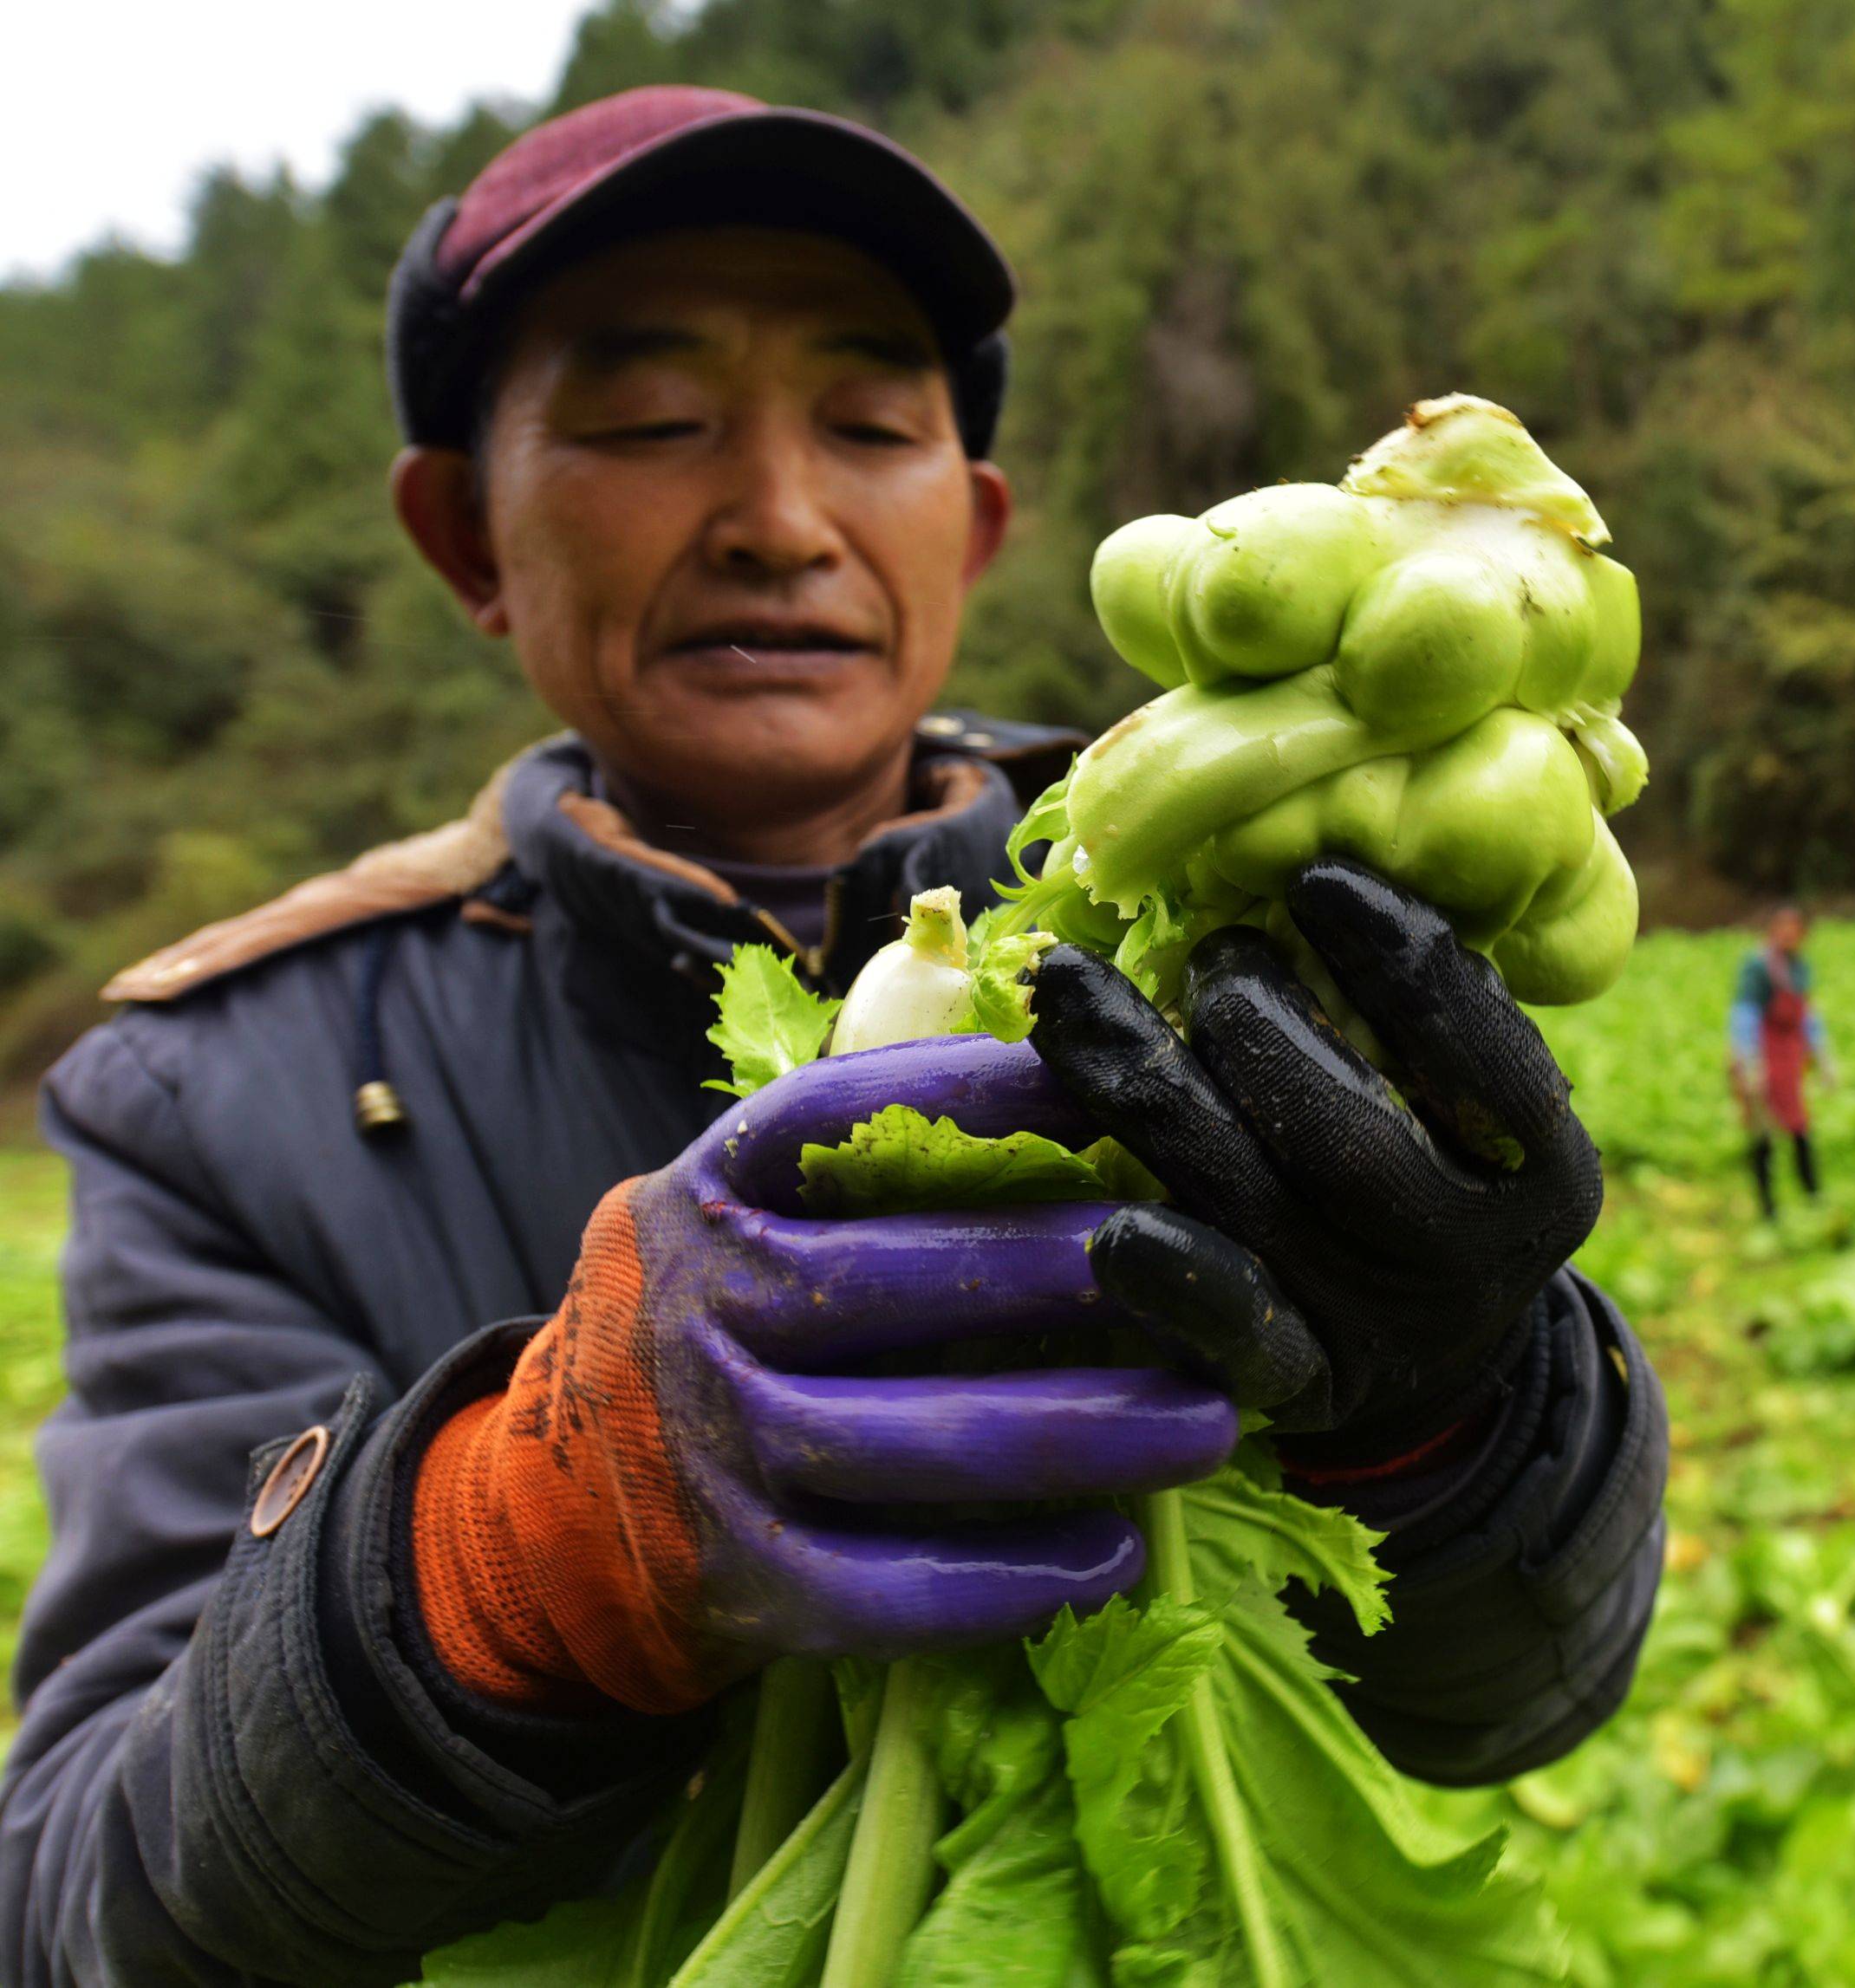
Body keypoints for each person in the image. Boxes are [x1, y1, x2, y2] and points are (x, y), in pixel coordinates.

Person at [0, 88, 1666, 1986]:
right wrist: (512, 1547)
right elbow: (80, 1905)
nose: (780, 522)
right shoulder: (223, 1090)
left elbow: (1520, 1691)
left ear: (971, 526)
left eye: (869, 428)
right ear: (464, 528)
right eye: (648, 423)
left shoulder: (1252, 941)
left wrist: (1456, 1421)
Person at [1728, 904, 1836, 1218]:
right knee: (1762, 1131)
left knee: (1799, 1125)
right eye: (1782, 928)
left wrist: (1823, 1056)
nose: (1788, 935)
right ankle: (1768, 1207)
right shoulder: (1758, 967)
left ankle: (1813, 1195)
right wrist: (1749, 1062)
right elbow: (1744, 1015)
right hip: (1762, 1055)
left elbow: (1808, 1016)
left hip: (1788, 1058)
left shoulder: (1799, 967)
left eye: (1795, 930)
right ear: (1773, 931)